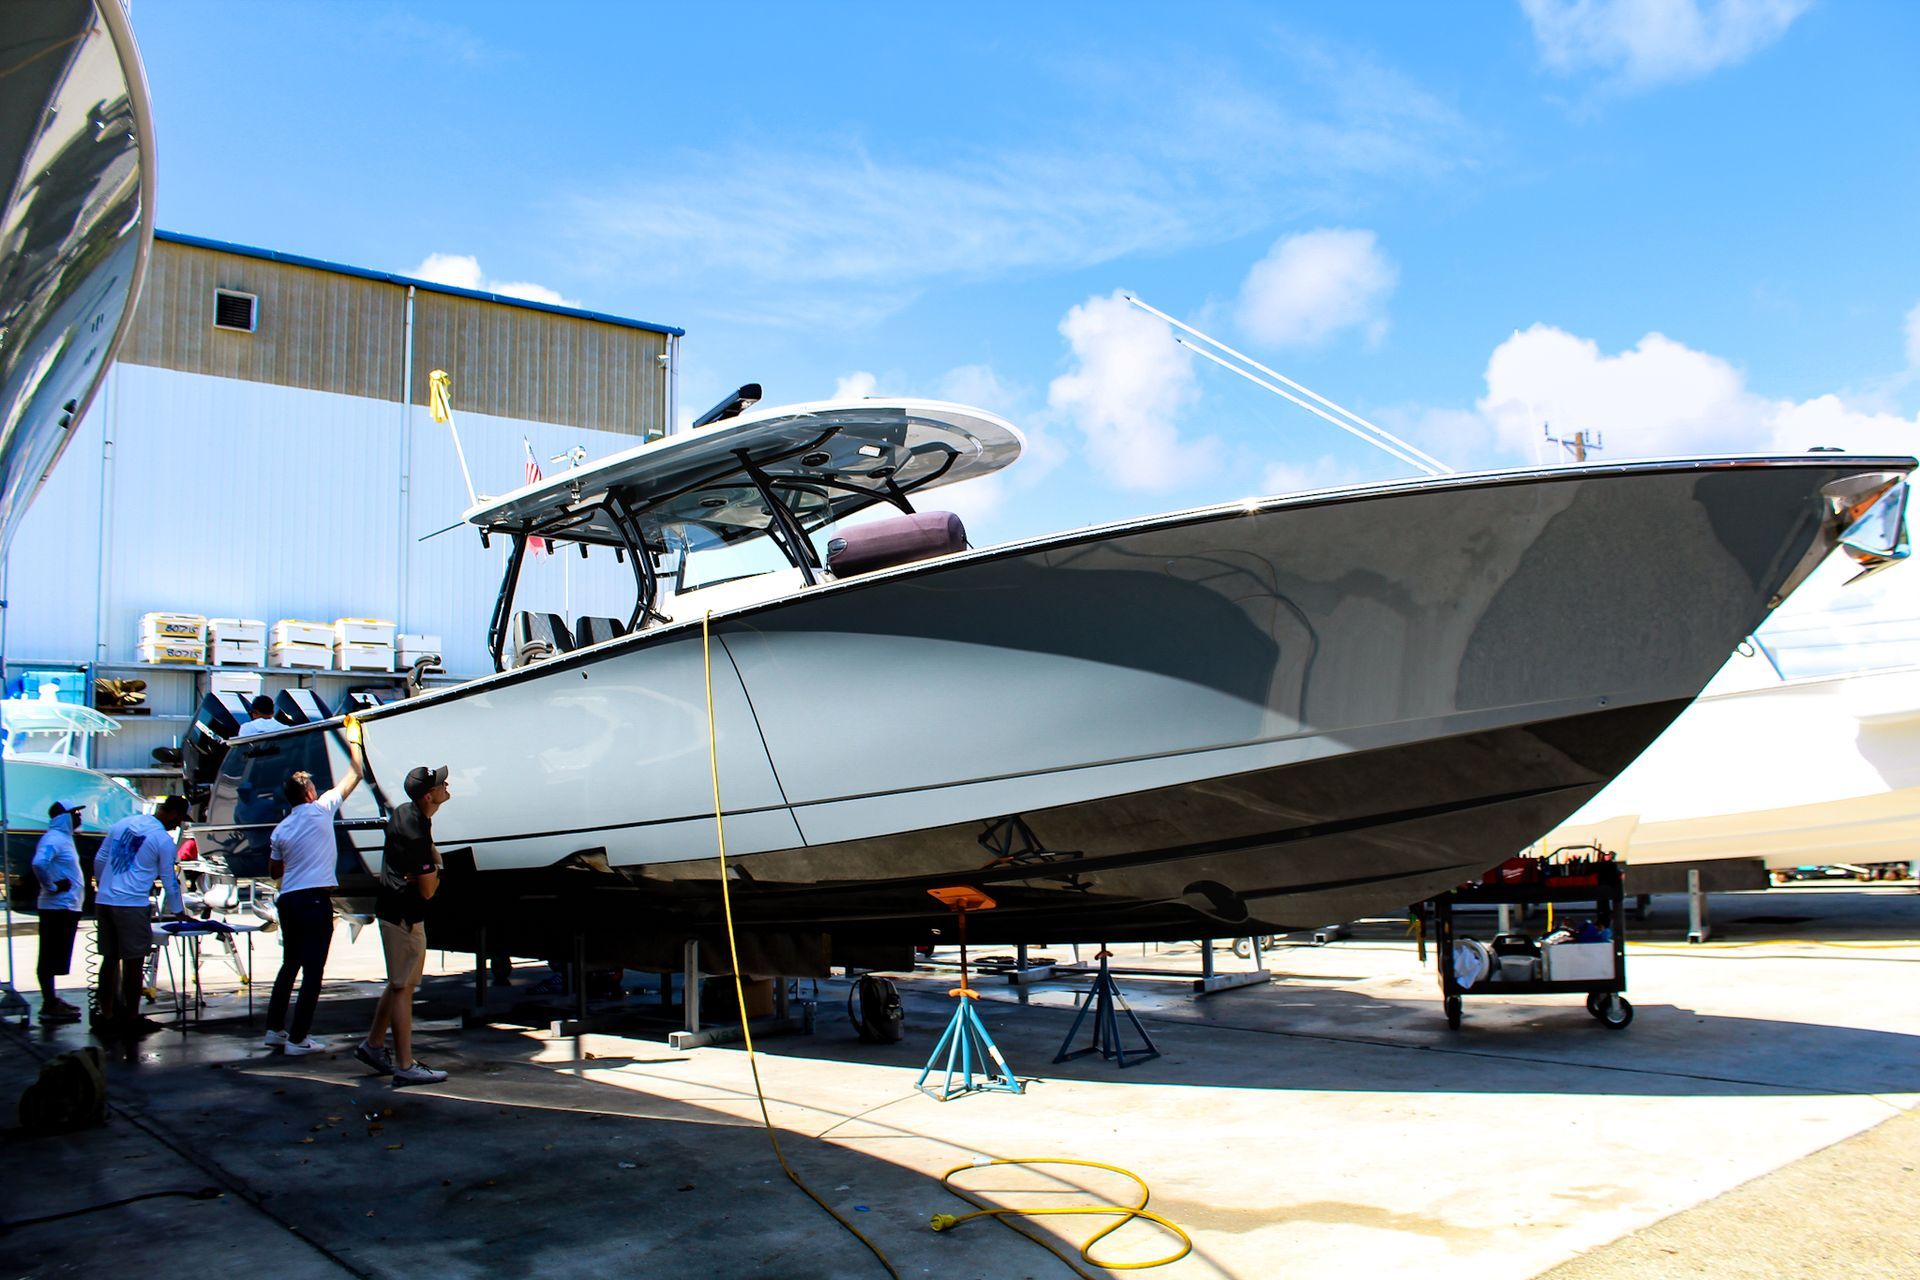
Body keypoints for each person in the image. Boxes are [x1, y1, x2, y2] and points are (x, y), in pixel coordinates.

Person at [260, 729, 365, 1055]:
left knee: (289, 965)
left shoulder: (281, 829)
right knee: (313, 971)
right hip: (315, 899)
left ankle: (275, 1029)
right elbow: (355, 775)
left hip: (289, 899)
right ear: (308, 793)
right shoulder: (322, 808)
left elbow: (275, 871)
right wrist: (355, 740)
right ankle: (298, 1038)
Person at [355, 764, 450, 1086]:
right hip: (404, 918)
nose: (446, 785)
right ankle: (405, 1065)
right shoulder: (416, 832)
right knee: (403, 989)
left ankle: (373, 1045)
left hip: (395, 912)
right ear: (428, 796)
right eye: (440, 784)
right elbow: (428, 889)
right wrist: (437, 870)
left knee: (399, 983)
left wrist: (428, 869)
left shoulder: (405, 813)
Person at [91, 796, 189, 1037]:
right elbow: (169, 879)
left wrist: (106, 885)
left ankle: (107, 1014)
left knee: (109, 959)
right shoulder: (162, 840)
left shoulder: (122, 824)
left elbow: (100, 859)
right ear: (173, 813)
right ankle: (131, 1017)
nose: (178, 825)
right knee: (133, 962)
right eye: (179, 819)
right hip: (132, 904)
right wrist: (179, 911)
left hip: (105, 901)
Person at [31, 801, 87, 1024]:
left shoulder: (63, 838)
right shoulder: (54, 838)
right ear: (64, 817)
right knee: (48, 957)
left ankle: (52, 1000)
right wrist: (52, 886)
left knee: (55, 957)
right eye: (75, 813)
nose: (79, 817)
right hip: (57, 907)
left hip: (66, 906)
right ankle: (49, 1004)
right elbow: (39, 863)